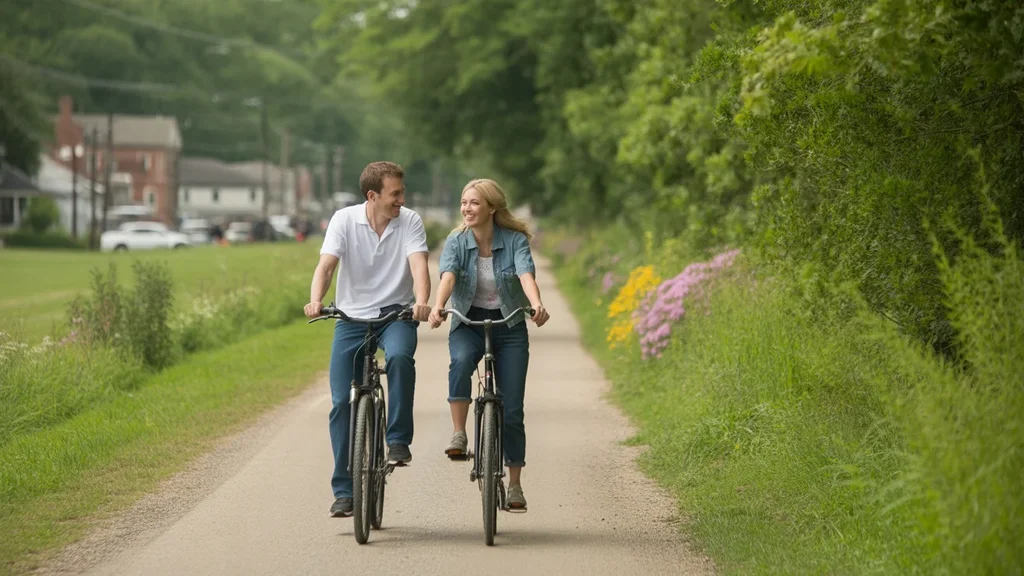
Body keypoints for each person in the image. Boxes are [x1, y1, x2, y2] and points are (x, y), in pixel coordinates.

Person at [303, 161, 432, 518]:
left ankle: (397, 439)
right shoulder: (344, 220)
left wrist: (421, 302)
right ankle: (344, 491)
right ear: (372, 195)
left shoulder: (410, 221)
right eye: (395, 194)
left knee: (401, 358)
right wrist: (316, 299)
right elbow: (327, 265)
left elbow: (419, 264)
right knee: (340, 402)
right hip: (351, 317)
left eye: (402, 193)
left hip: (396, 314)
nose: (401, 200)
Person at [428, 178, 550, 512]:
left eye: (474, 203)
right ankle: (458, 433)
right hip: (467, 320)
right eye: (464, 202)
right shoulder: (456, 241)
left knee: (512, 410)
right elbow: (448, 277)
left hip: (508, 323)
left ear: (492, 208)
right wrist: (438, 306)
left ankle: (514, 485)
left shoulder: (515, 241)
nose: (467, 208)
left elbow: (526, 275)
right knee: (461, 362)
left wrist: (536, 304)